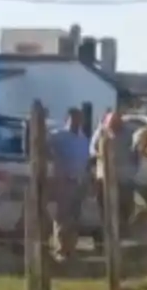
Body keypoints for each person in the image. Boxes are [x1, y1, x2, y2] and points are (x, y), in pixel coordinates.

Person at [47, 108, 92, 261]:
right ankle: (60, 249)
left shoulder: (83, 138)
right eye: (73, 119)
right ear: (67, 119)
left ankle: (71, 249)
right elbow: (44, 148)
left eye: (79, 119)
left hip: (79, 182)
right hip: (64, 181)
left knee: (75, 217)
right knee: (62, 217)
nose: (76, 122)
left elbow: (86, 160)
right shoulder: (57, 136)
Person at [89, 109, 133, 247]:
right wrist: (101, 155)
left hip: (124, 179)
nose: (113, 127)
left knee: (125, 209)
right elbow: (92, 149)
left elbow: (136, 152)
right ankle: (106, 241)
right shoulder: (101, 132)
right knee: (105, 209)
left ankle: (120, 239)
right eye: (110, 124)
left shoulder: (129, 133)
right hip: (105, 179)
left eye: (116, 123)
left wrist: (134, 170)